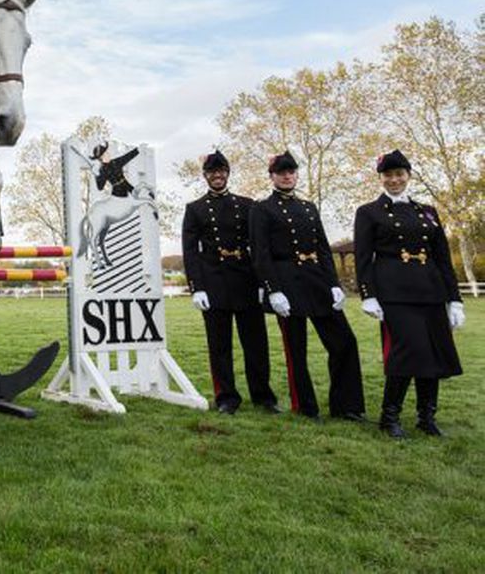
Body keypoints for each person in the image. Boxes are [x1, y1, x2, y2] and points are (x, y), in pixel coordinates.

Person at [354, 149, 465, 438]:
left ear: (408, 176)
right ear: (381, 178)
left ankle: (426, 417)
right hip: (395, 292)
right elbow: (364, 258)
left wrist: (455, 299)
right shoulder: (369, 212)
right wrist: (368, 294)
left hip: (430, 291)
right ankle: (389, 417)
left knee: (433, 353)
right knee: (406, 353)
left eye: (399, 174)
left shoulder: (427, 211)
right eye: (388, 175)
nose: (394, 180)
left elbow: (443, 258)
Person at [249, 151, 366, 421]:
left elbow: (323, 248)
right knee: (296, 349)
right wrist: (272, 289)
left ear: (296, 174)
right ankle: (305, 406)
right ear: (272, 177)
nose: (287, 176)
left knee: (344, 342)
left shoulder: (309, 207)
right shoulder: (262, 209)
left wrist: (334, 284)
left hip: (316, 281)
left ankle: (346, 406)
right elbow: (260, 253)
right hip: (286, 284)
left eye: (291, 171)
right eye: (281, 172)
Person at [181, 150, 279, 414]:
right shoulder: (195, 209)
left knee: (256, 345)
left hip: (246, 281)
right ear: (205, 176)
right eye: (212, 172)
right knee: (219, 346)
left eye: (221, 171)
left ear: (227, 174)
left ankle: (263, 396)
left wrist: (263, 284)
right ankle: (226, 397)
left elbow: (258, 247)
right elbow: (190, 252)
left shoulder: (248, 205)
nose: (217, 176)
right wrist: (197, 288)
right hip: (214, 283)